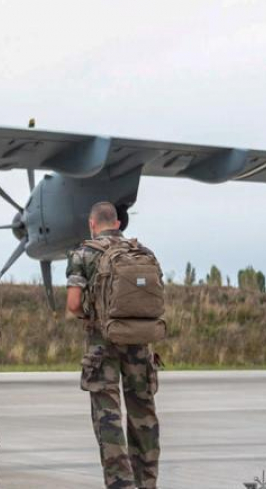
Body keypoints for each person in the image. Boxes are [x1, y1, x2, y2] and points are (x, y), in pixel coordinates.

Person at [66, 202, 160, 489]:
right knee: (143, 413)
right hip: (139, 342)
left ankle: (120, 483)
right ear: (118, 223)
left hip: (102, 344)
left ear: (92, 224)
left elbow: (73, 304)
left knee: (108, 416)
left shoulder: (83, 253)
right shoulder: (143, 252)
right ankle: (147, 481)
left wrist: (90, 315)